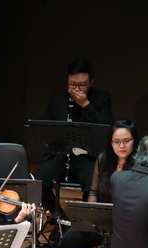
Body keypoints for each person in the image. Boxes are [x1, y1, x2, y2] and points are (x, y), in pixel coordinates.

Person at [44, 118, 138, 248]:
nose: (121, 146)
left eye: (126, 141)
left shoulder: (140, 164)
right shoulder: (104, 159)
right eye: (116, 141)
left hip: (128, 227)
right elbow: (93, 191)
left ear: (135, 141)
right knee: (69, 239)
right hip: (103, 221)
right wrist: (89, 217)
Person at [33, 58, 113, 216]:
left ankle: (83, 224)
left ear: (91, 82)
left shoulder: (101, 98)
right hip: (61, 155)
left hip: (87, 157)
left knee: (93, 185)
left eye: (82, 85)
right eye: (72, 84)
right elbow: (46, 127)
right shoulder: (58, 100)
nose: (76, 89)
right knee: (38, 182)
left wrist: (86, 105)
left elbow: (107, 128)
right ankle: (58, 219)